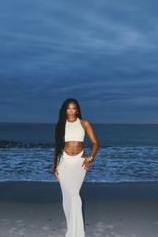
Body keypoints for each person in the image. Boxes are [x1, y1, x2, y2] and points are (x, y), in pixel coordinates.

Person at [52, 98, 99, 237]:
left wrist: (90, 158)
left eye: (73, 108)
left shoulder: (84, 123)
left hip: (79, 162)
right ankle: (71, 229)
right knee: (67, 196)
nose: (71, 111)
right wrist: (54, 165)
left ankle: (77, 233)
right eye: (68, 108)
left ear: (77, 109)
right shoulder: (61, 125)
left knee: (74, 195)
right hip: (64, 162)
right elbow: (57, 147)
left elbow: (95, 143)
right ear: (65, 110)